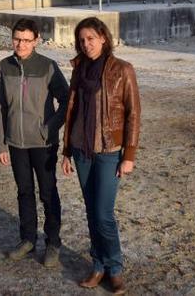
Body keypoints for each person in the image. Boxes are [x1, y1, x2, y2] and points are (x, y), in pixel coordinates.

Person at [61, 17, 141, 295]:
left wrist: (128, 155)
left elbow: (133, 114)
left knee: (104, 214)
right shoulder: (79, 69)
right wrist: (67, 151)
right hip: (82, 152)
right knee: (91, 212)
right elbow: (72, 111)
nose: (86, 45)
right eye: (82, 40)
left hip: (108, 152)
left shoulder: (122, 70)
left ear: (103, 38)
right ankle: (97, 266)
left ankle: (115, 269)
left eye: (91, 39)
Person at [0, 18, 69, 267]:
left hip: (43, 143)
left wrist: (50, 128)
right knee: (24, 192)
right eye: (17, 39)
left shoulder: (48, 66)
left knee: (48, 192)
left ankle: (53, 242)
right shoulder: (4, 66)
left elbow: (67, 101)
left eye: (27, 40)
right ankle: (27, 239)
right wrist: (1, 143)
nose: (21, 44)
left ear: (36, 40)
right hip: (16, 143)